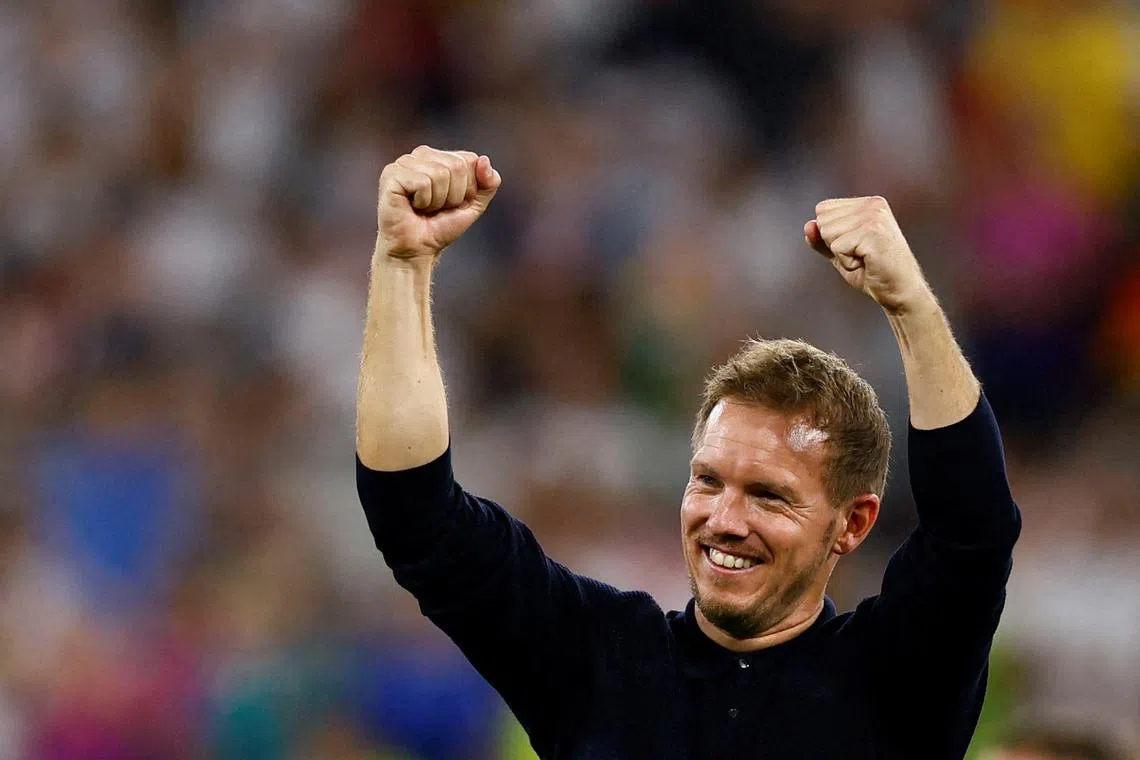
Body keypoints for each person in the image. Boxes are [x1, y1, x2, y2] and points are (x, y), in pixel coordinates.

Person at [355, 146, 1022, 758]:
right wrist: (403, 265)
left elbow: (974, 530)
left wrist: (910, 306)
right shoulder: (597, 658)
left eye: (769, 495)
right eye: (708, 481)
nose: (725, 518)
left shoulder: (897, 679)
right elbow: (416, 516)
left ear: (852, 523)